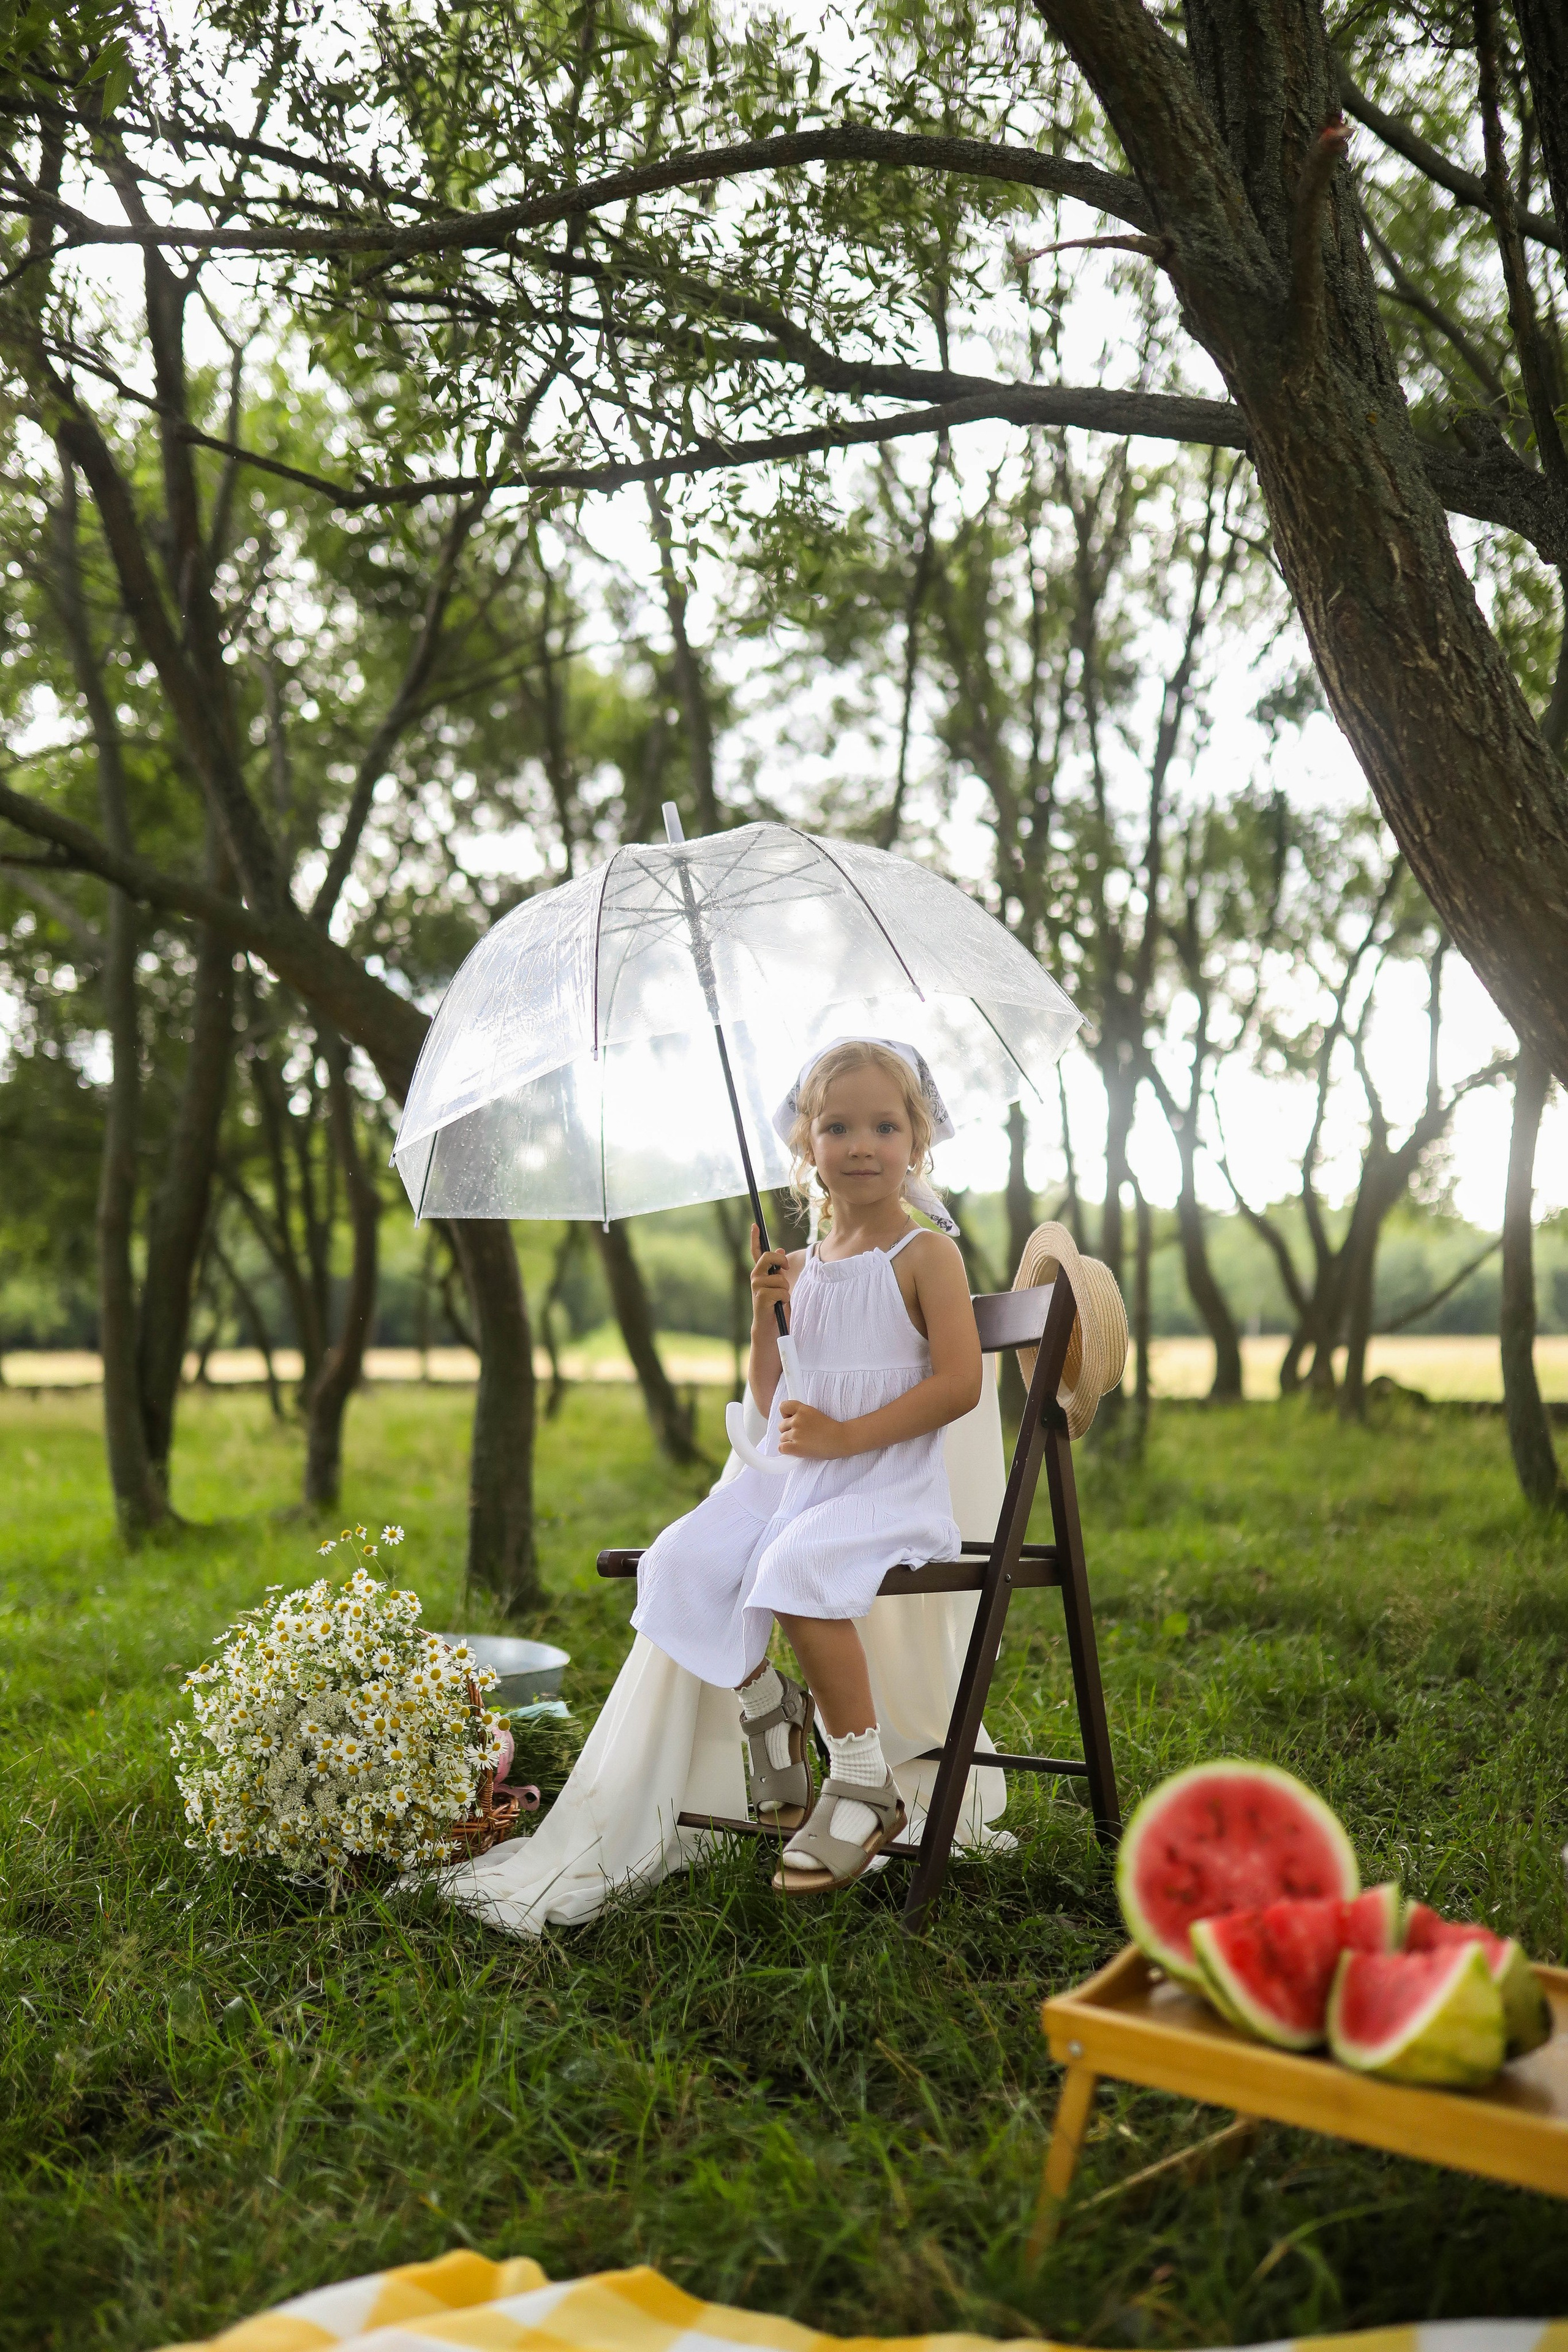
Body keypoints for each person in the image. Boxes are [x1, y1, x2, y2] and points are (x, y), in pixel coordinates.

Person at [631, 1038, 982, 1895]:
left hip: (884, 1485)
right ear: (807, 1148)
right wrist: (766, 1314)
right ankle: (768, 1708)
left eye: (885, 1126)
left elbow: (961, 1385)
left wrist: (843, 1439)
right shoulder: (805, 1266)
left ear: (917, 1142)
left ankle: (861, 1775)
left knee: (791, 1565)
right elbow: (774, 1397)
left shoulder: (926, 1257)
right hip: (800, 1480)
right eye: (838, 1126)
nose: (862, 1144)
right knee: (677, 1561)